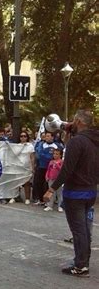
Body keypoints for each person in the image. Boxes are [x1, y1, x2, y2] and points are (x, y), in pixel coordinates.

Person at [43, 110, 99, 277]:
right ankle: (82, 261)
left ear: (79, 122)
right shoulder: (94, 140)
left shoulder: (78, 142)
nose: (71, 123)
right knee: (84, 229)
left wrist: (51, 189)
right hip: (90, 191)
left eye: (74, 120)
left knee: (79, 230)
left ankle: (81, 265)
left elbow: (67, 168)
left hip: (75, 192)